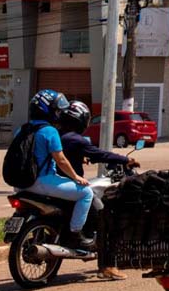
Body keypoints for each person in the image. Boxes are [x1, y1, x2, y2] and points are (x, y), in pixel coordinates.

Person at [57, 100, 139, 280]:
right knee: (106, 220)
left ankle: (80, 237)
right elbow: (100, 154)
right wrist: (125, 160)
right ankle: (107, 267)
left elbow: (70, 156)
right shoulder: (76, 139)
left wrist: (83, 158)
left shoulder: (57, 135)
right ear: (81, 121)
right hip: (69, 187)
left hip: (52, 186)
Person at [18, 90, 94, 249]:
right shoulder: (49, 131)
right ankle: (75, 233)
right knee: (86, 193)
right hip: (42, 181)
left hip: (20, 183)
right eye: (57, 110)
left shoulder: (22, 129)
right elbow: (60, 159)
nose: (60, 113)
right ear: (49, 111)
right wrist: (76, 177)